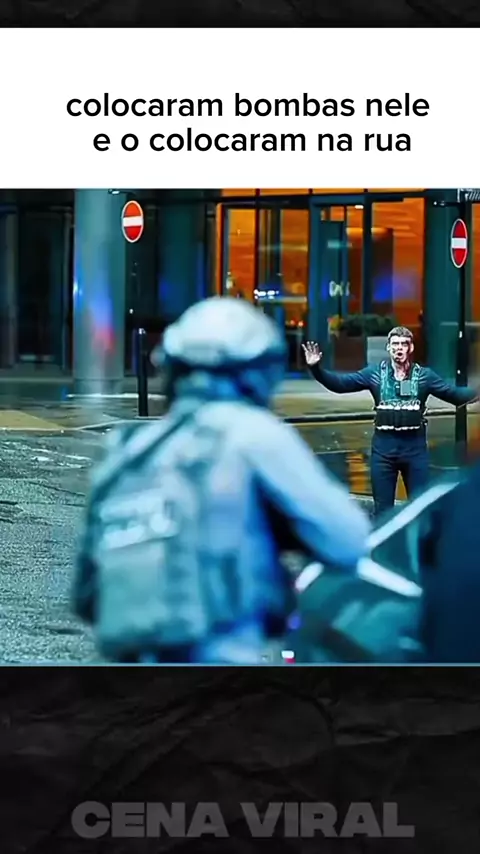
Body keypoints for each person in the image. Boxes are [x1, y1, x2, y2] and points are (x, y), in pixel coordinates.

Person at [73, 297, 371, 664]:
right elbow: (347, 540)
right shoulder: (253, 433)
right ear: (258, 373)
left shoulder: (129, 448)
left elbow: (87, 596)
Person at [303, 326, 478, 517]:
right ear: (388, 347)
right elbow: (340, 384)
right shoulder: (375, 374)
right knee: (383, 510)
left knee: (419, 509)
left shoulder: (424, 376)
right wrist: (316, 369)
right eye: (395, 344)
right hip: (384, 452)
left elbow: (455, 395)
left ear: (411, 348)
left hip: (414, 451)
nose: (399, 348)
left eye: (403, 344)